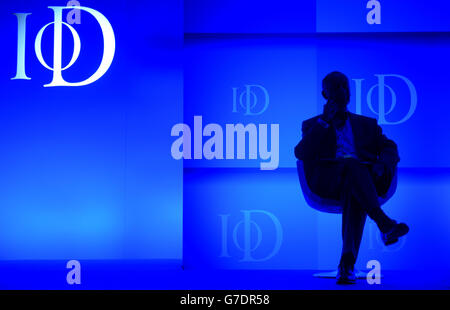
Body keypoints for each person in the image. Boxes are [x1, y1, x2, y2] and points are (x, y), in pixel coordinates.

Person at [294, 71, 409, 284]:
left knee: (353, 183)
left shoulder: (367, 124)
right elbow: (301, 153)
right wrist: (324, 122)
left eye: (345, 86)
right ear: (324, 93)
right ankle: (384, 223)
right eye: (335, 87)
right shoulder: (312, 125)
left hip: (364, 181)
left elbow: (390, 147)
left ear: (350, 92)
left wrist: (382, 164)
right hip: (327, 183)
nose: (341, 91)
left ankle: (346, 265)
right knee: (350, 164)